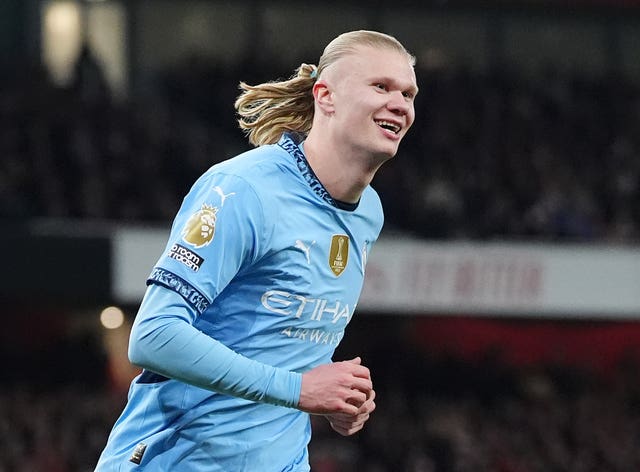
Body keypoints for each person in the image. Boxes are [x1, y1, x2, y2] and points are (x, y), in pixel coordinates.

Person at [95, 29, 418, 471]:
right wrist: (300, 390)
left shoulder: (368, 213)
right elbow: (154, 336)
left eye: (408, 93)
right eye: (381, 87)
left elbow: (288, 340)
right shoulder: (244, 190)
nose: (400, 103)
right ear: (325, 96)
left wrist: (333, 398)